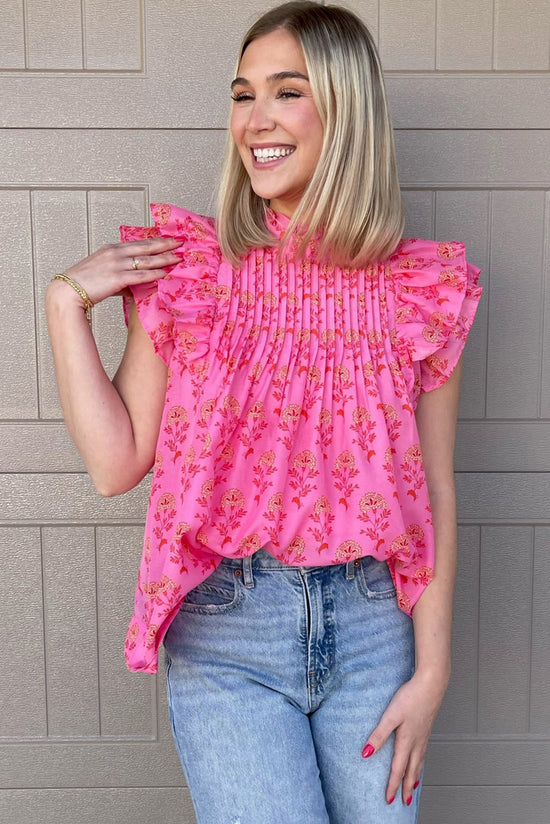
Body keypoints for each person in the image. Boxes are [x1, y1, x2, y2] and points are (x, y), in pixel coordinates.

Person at [46, 2, 482, 822]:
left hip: (371, 629)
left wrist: (432, 674)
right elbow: (116, 464)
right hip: (229, 633)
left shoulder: (419, 293)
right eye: (243, 95)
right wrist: (65, 304)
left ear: (344, 110)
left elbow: (435, 493)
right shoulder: (196, 274)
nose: (256, 120)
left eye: (287, 92)